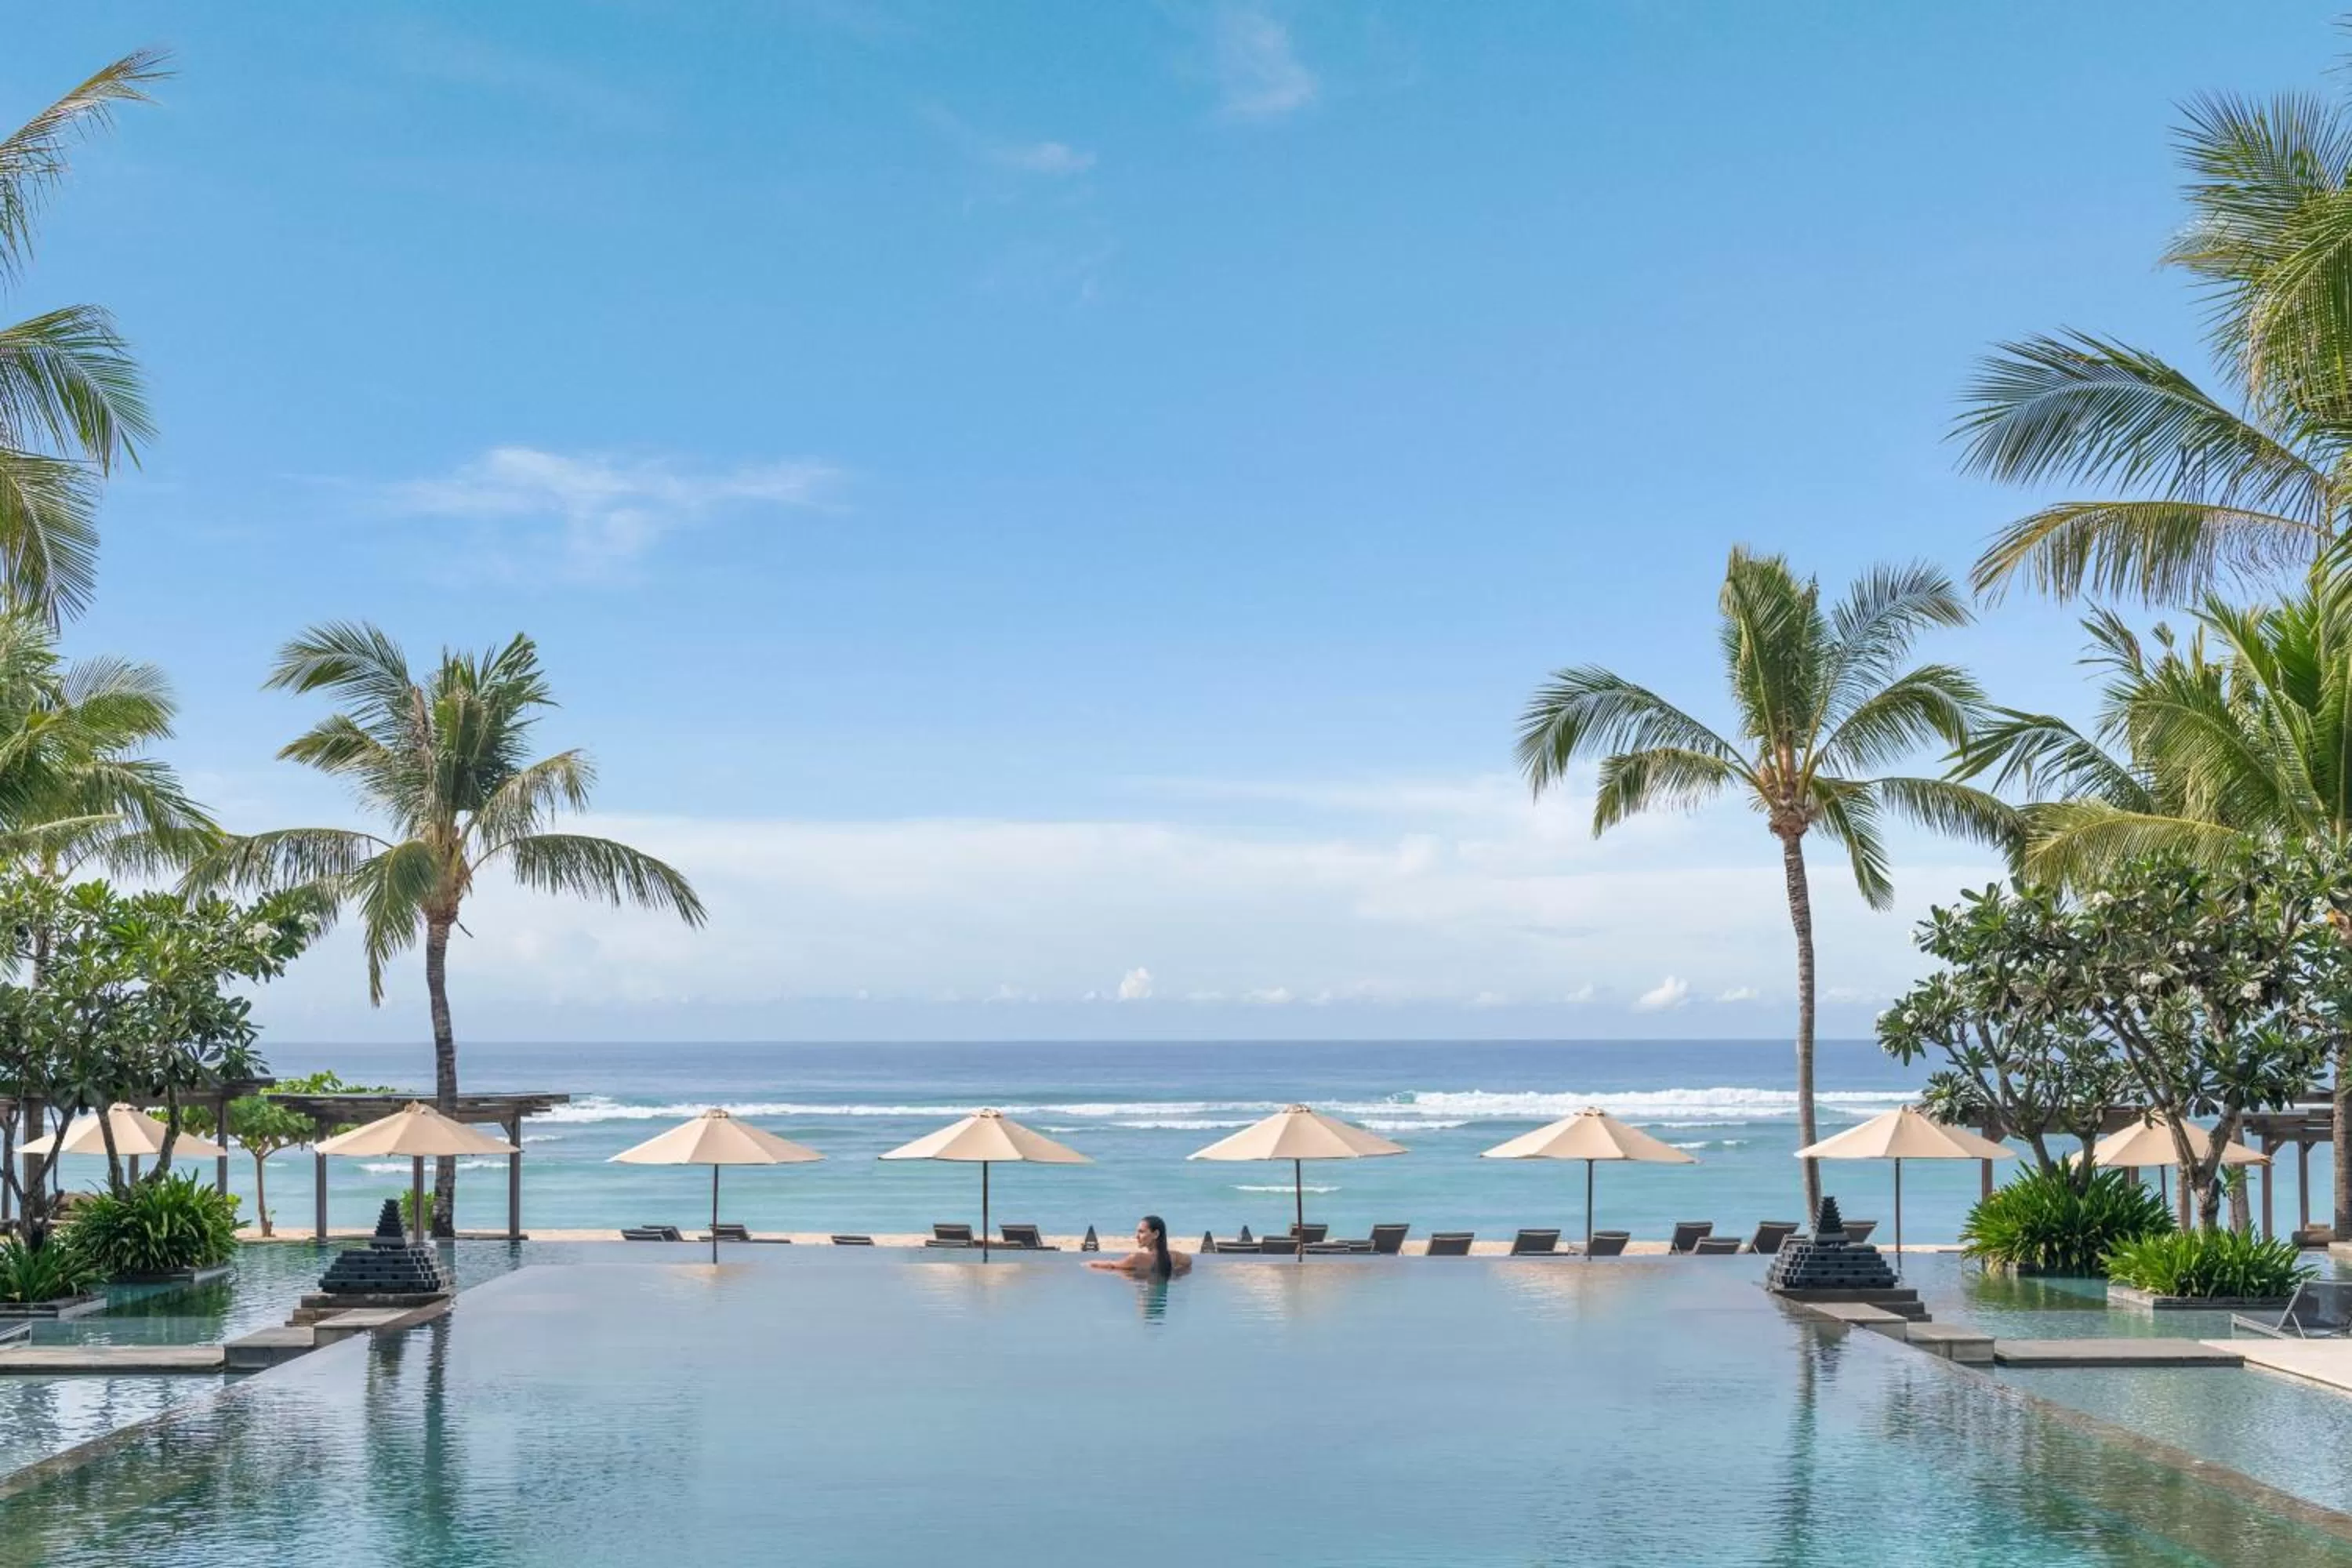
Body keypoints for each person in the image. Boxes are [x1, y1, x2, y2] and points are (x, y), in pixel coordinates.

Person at [1088, 1214, 1192, 1278]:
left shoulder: (1137, 1258)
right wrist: (1177, 1272)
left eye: (1141, 1232)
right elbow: (1189, 1260)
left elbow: (1111, 1265)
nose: (1136, 1236)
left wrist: (1089, 1263)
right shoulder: (1174, 1256)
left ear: (1155, 1234)